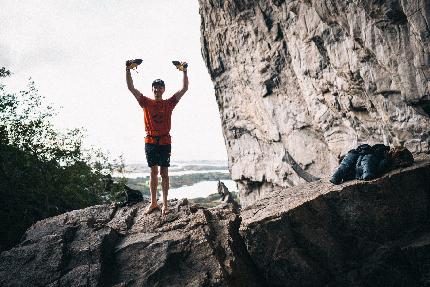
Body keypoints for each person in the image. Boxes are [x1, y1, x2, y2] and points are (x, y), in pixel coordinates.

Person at [126, 60, 188, 215]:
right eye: (155, 87)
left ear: (164, 89)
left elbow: (184, 88)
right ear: (152, 89)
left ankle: (165, 205)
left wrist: (184, 71)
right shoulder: (146, 102)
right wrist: (127, 69)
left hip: (165, 141)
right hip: (151, 141)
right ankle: (154, 202)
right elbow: (131, 88)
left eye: (160, 87)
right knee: (153, 172)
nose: (157, 89)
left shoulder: (169, 103)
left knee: (164, 173)